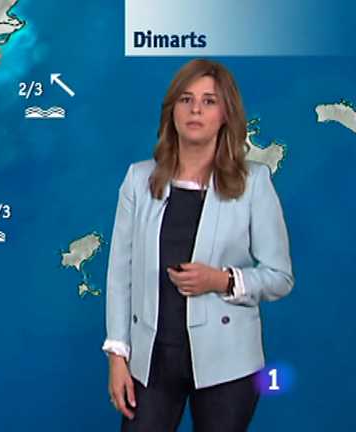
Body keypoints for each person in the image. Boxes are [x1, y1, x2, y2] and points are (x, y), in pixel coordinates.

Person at [102, 58, 294, 431]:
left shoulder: (254, 183)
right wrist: (117, 356)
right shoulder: (138, 180)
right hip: (151, 361)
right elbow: (119, 276)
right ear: (172, 110)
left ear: (225, 114)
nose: (195, 110)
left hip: (229, 364)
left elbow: (280, 277)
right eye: (186, 99)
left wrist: (222, 280)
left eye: (209, 101)